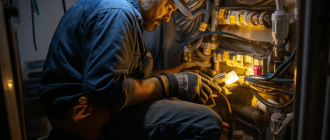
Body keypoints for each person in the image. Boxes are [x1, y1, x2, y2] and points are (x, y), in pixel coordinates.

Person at [39, 0, 223, 139]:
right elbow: (105, 91)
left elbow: (125, 77)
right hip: (84, 112)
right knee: (207, 122)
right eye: (168, 5)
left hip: (70, 108)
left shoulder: (118, 9)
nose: (168, 17)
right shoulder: (117, 13)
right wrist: (170, 84)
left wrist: (180, 73)